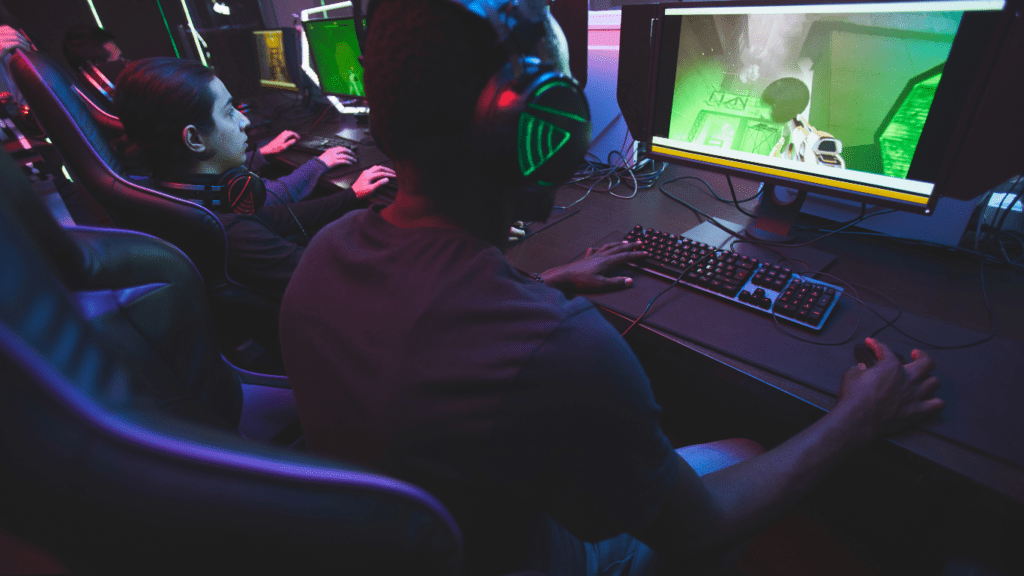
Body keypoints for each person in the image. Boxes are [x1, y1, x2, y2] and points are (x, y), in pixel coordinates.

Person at [278, 1, 945, 574]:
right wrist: (860, 416)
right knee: (744, 452)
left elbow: (430, 327)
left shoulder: (324, 255)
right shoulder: (558, 347)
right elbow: (701, 525)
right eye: (565, 88)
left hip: (429, 540)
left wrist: (543, 279)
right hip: (526, 557)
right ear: (545, 126)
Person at [114, 57, 395, 295]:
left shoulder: (187, 196)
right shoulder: (229, 231)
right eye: (228, 112)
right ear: (195, 140)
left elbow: (277, 216)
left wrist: (351, 195)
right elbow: (343, 279)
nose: (244, 120)